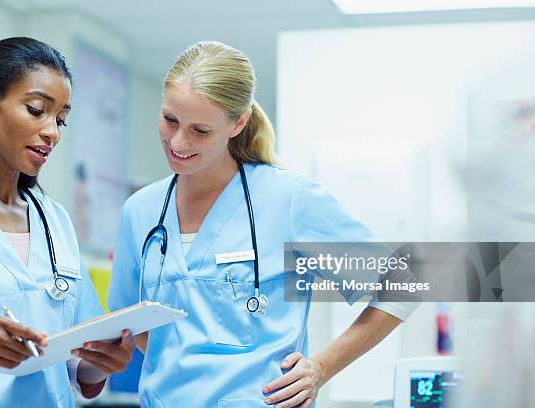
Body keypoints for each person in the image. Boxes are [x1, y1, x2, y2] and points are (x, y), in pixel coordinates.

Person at [107, 41, 418, 407]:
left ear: (237, 123)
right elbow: (134, 325)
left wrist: (320, 368)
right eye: (170, 120)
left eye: (200, 130)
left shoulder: (289, 199)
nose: (178, 141)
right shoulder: (141, 211)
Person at [0, 37, 134, 407]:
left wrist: (101, 364)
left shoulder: (53, 220)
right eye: (37, 110)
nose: (51, 130)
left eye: (61, 120)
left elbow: (75, 362)